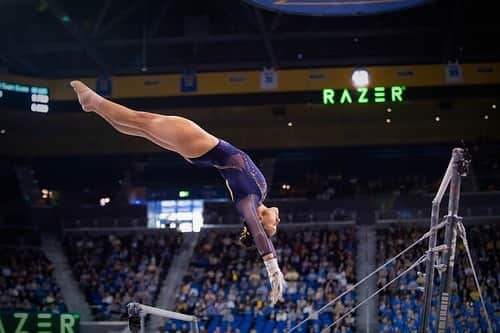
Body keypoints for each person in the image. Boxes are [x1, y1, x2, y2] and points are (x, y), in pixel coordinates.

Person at [70, 81, 286, 305]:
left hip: (203, 145)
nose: (277, 221)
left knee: (140, 120)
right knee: (140, 127)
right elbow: (257, 229)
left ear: (259, 221)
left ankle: (93, 101)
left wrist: (272, 266)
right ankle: (94, 106)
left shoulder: (247, 201)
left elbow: (256, 230)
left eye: (273, 226)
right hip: (200, 150)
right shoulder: (258, 195)